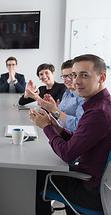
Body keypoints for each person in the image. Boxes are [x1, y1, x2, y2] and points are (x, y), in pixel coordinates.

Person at [29, 54, 111, 214]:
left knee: (32, 178)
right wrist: (57, 127)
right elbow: (80, 140)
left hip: (90, 190)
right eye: (75, 75)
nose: (76, 81)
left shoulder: (99, 113)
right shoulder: (99, 105)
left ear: (102, 77)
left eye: (84, 75)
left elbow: (67, 153)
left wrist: (46, 127)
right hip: (93, 179)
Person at [37, 60, 84, 132]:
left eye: (71, 75)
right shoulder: (66, 93)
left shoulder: (83, 97)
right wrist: (51, 111)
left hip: (70, 138)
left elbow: (77, 126)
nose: (68, 79)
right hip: (59, 133)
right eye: (65, 76)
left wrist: (55, 110)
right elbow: (59, 118)